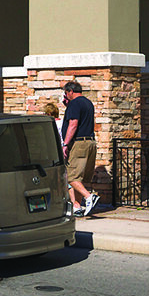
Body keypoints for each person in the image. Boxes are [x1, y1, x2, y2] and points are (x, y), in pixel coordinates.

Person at [61, 81, 98, 216]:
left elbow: (73, 124)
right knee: (79, 177)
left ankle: (89, 197)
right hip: (90, 142)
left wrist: (65, 144)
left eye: (66, 93)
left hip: (79, 143)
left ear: (70, 91)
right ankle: (77, 207)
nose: (66, 96)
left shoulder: (75, 103)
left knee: (70, 176)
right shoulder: (88, 103)